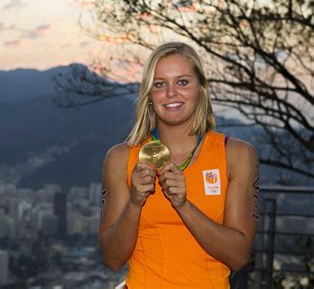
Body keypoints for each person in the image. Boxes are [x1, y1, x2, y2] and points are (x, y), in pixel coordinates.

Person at [99, 42, 259, 288]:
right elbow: (112, 258)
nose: (171, 93)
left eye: (183, 82)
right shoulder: (121, 159)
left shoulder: (237, 155)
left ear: (201, 89)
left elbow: (238, 257)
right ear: (149, 95)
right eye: (160, 84)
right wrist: (134, 202)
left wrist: (183, 205)